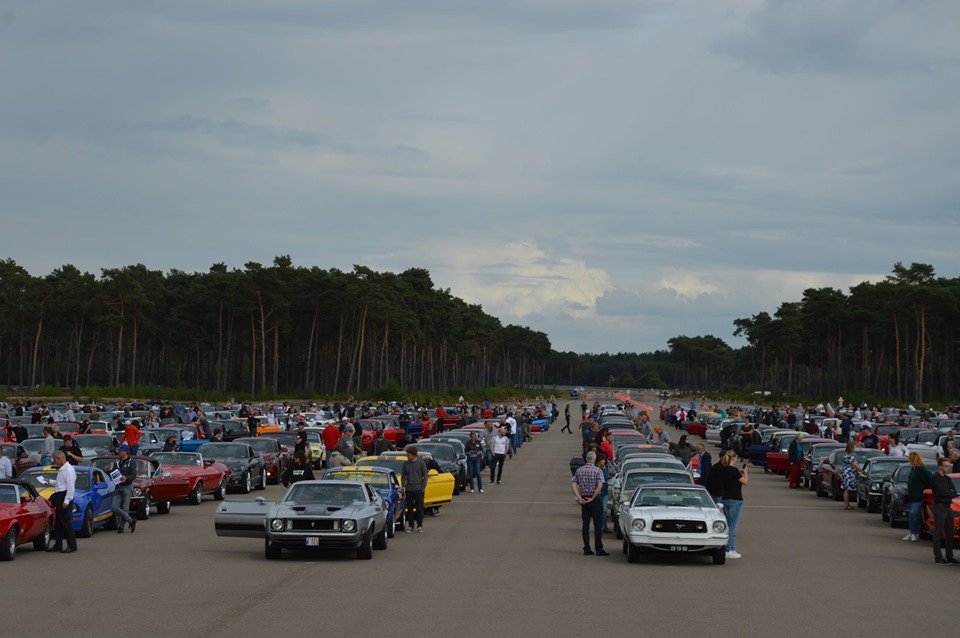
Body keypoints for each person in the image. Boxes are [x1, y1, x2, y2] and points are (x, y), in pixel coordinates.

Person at [571, 451, 608, 556]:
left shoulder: (579, 470)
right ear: (594, 459)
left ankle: (586, 548)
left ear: (586, 459)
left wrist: (579, 498)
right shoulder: (597, 471)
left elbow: (573, 484)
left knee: (585, 525)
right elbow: (600, 486)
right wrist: (593, 497)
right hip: (594, 499)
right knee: (597, 525)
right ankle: (598, 548)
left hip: (584, 499)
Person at [717, 450, 747, 559]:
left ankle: (728, 547)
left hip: (725, 498)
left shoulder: (724, 470)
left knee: (728, 523)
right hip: (736, 499)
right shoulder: (734, 470)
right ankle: (728, 549)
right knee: (732, 525)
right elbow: (745, 482)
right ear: (733, 458)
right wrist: (745, 473)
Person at [930, 457, 958, 565]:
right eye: (946, 466)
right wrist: (949, 493)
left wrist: (949, 493)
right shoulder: (935, 478)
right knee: (938, 533)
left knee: (950, 533)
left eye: (949, 466)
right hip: (940, 507)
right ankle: (938, 558)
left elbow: (954, 492)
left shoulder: (948, 478)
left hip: (948, 506)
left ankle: (950, 557)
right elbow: (942, 492)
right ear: (940, 466)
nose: (948, 468)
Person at [49, 451, 78, 553]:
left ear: (59, 458)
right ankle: (58, 545)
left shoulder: (68, 470)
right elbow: (60, 483)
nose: (54, 462)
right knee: (58, 523)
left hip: (64, 496)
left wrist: (66, 501)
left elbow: (70, 487)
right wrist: (50, 481)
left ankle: (72, 545)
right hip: (60, 495)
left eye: (55, 460)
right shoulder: (62, 469)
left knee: (66, 522)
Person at [904, 452, 932, 542]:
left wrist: (924, 492)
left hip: (919, 496)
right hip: (911, 496)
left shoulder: (922, 471)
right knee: (911, 515)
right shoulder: (913, 469)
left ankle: (915, 533)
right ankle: (911, 532)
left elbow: (930, 481)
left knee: (914, 513)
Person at [401, 447, 428, 533]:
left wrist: (423, 487)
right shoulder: (405, 464)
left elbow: (425, 476)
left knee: (419, 508)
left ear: (413, 455)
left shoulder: (421, 463)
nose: (407, 456)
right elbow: (403, 476)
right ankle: (410, 526)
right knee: (409, 508)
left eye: (408, 455)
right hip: (409, 489)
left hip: (418, 489)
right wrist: (403, 486)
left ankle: (420, 525)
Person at [112, 445, 138, 534]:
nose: (119, 452)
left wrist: (126, 477)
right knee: (114, 506)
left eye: (120, 451)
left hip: (127, 486)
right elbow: (114, 473)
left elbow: (134, 475)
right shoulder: (117, 461)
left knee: (125, 507)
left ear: (125, 452)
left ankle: (121, 527)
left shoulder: (131, 462)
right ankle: (131, 520)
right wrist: (109, 471)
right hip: (118, 486)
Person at [840, 441, 864, 510]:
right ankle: (846, 504)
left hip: (846, 472)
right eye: (854, 447)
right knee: (847, 489)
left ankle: (847, 504)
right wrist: (862, 471)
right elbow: (855, 465)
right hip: (849, 473)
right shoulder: (850, 455)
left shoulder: (846, 454)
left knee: (847, 489)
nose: (855, 448)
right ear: (851, 447)